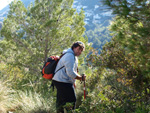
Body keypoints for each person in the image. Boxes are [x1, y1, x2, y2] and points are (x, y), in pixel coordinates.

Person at [52, 41, 86, 113]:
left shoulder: (72, 55)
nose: (80, 51)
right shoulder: (70, 56)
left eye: (81, 50)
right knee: (72, 100)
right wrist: (81, 78)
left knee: (61, 101)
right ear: (74, 47)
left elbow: (70, 71)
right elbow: (70, 73)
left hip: (59, 80)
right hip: (62, 81)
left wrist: (73, 81)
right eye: (78, 49)